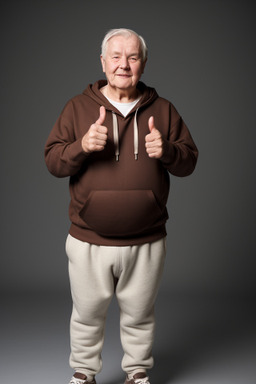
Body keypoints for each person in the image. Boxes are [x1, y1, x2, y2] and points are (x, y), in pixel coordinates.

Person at [45, 28, 198, 384]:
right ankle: (84, 374)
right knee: (86, 313)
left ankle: (138, 373)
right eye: (116, 56)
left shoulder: (163, 109)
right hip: (88, 240)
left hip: (146, 239)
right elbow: (53, 162)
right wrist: (82, 145)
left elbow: (189, 162)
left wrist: (169, 151)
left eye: (132, 57)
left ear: (143, 64)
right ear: (103, 62)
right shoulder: (77, 107)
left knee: (140, 313)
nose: (124, 65)